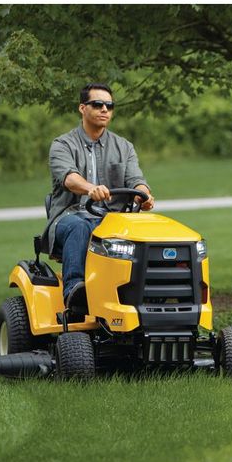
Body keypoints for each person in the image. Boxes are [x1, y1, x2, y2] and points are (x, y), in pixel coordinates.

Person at [47, 82, 155, 310]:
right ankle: (75, 292)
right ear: (82, 108)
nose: (104, 109)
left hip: (112, 220)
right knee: (80, 226)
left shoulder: (124, 147)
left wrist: (144, 196)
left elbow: (136, 179)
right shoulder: (62, 145)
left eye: (109, 105)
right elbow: (69, 178)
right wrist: (90, 189)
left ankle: (149, 293)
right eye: (97, 104)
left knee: (149, 231)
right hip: (70, 217)